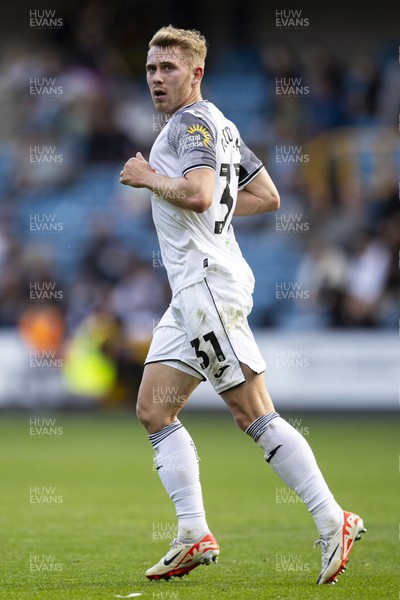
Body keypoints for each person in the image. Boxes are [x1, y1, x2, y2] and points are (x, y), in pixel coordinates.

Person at [119, 25, 366, 586]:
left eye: (170, 68)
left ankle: (334, 519)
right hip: (191, 293)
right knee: (155, 410)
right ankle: (193, 534)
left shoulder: (190, 125)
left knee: (252, 412)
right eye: (152, 68)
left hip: (207, 288)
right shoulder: (222, 126)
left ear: (196, 73)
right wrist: (211, 223)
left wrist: (146, 177)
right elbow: (267, 196)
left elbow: (203, 194)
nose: (157, 78)